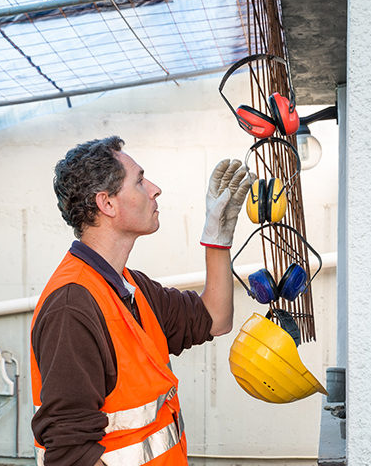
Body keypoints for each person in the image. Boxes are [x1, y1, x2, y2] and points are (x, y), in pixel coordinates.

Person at [30, 136, 253, 466]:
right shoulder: (72, 306)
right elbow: (71, 454)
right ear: (107, 204)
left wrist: (217, 239)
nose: (155, 188)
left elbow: (216, 318)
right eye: (139, 180)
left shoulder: (131, 287)